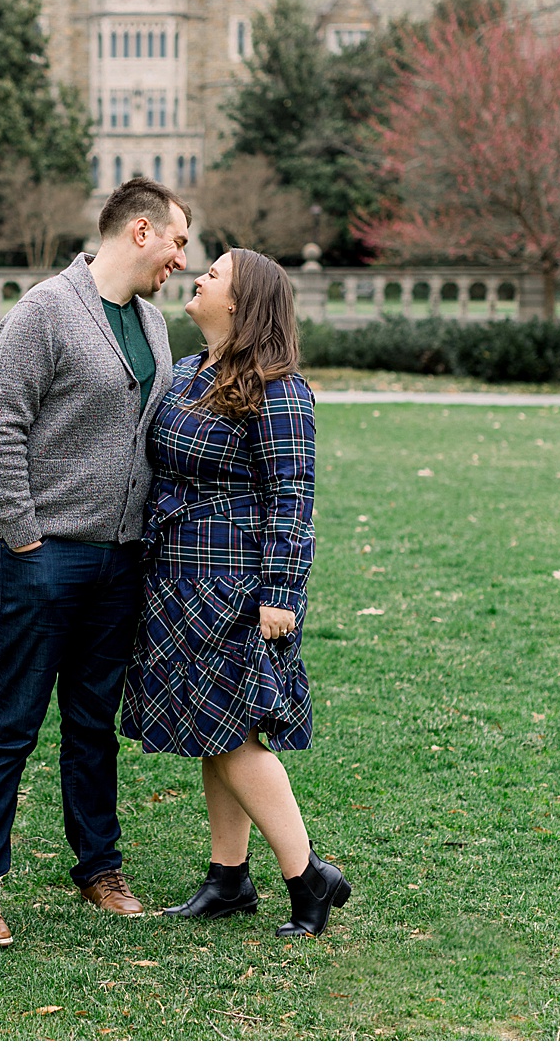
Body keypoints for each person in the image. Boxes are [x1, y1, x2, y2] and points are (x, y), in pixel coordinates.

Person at [0, 178, 190, 948]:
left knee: (92, 725)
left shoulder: (153, 325)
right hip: (41, 557)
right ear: (142, 231)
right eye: (179, 242)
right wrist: (24, 535)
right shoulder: (45, 311)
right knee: (12, 722)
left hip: (121, 563)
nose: (182, 261)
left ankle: (99, 867)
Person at [121, 248, 350, 938]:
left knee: (231, 732)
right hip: (177, 578)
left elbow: (293, 498)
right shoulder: (191, 373)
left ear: (243, 301)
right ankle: (228, 880)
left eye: (214, 273)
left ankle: (308, 875)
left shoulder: (281, 389)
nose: (199, 277)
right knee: (212, 729)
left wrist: (280, 591)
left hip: (239, 588)